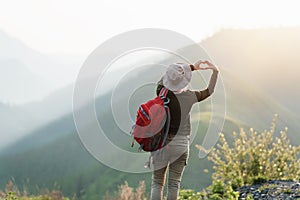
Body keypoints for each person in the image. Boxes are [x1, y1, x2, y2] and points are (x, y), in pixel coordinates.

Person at [150, 60, 219, 200]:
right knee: (174, 184)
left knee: (157, 184)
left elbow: (162, 80)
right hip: (181, 144)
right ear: (185, 81)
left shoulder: (161, 92)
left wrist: (190, 68)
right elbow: (209, 91)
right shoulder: (190, 97)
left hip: (161, 142)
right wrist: (215, 71)